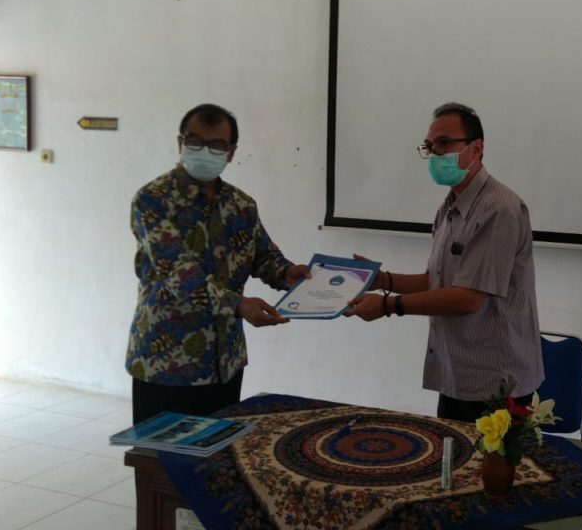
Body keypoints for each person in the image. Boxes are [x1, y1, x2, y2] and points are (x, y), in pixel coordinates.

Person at [346, 102, 544, 422]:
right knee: (449, 454)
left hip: (497, 385)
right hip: (457, 376)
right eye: (430, 146)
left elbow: (467, 298)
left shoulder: (499, 209)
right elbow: (437, 281)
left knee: (485, 459)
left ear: (476, 148)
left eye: (444, 143)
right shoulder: (449, 208)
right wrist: (381, 280)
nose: (435, 154)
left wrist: (387, 306)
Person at [126, 103, 309, 424]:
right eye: (195, 142)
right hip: (166, 363)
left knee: (219, 452)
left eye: (216, 145)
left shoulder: (241, 205)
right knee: (160, 454)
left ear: (231, 152)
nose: (204, 151)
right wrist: (238, 305)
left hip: (225, 362)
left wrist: (286, 272)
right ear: (181, 143)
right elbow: (179, 275)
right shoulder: (153, 200)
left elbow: (263, 255)